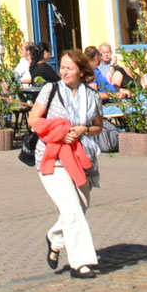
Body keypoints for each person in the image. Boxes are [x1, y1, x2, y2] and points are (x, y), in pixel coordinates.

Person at [27, 48, 103, 277]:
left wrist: (83, 130)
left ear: (81, 70)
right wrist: (61, 131)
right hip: (52, 156)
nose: (64, 71)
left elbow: (98, 126)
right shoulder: (50, 90)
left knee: (81, 206)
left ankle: (55, 238)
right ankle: (81, 262)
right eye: (62, 67)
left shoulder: (92, 96)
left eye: (70, 67)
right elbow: (33, 120)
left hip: (80, 156)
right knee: (71, 209)